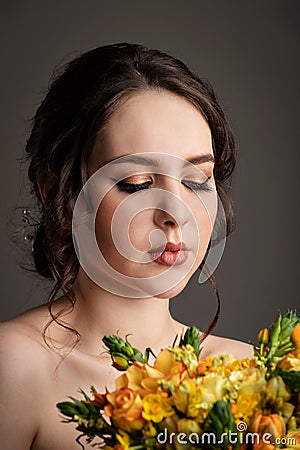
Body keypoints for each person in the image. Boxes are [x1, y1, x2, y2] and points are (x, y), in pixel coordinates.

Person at [0, 43, 253, 450]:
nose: (176, 213)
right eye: (136, 184)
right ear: (55, 192)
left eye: (196, 181)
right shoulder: (13, 368)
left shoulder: (249, 373)